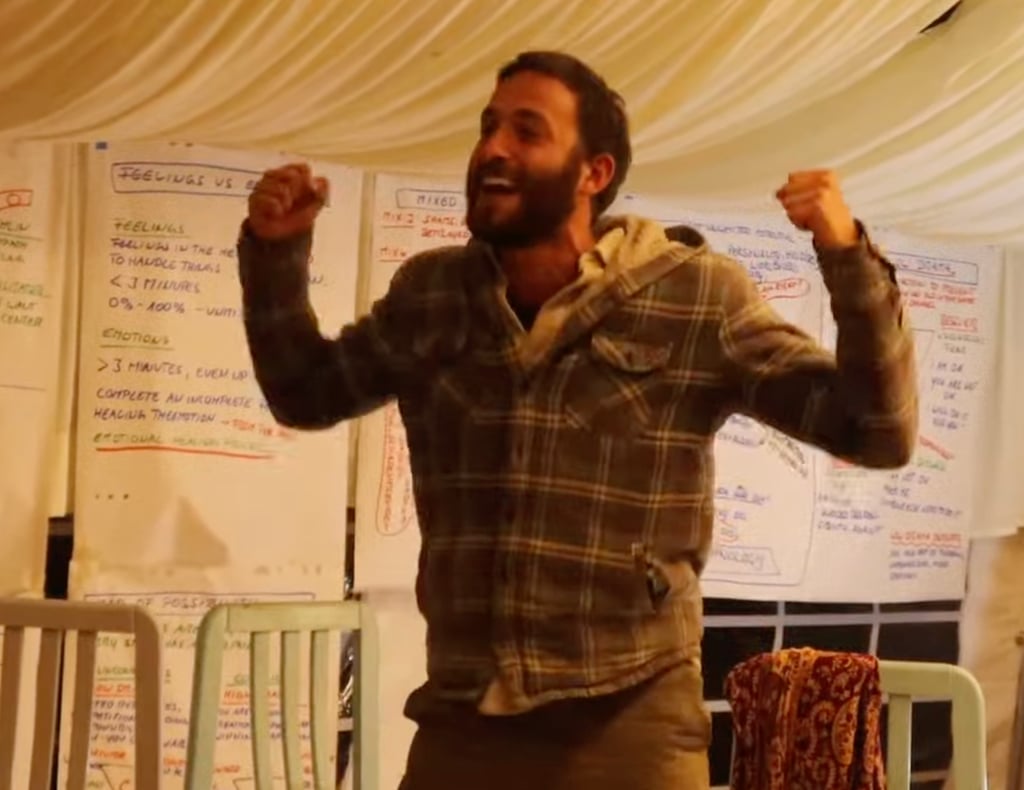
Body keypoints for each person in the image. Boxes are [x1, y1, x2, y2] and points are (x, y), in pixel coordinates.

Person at [238, 51, 917, 790]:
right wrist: (276, 255)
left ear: (594, 173)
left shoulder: (694, 295)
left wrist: (847, 254)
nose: (493, 148)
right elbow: (305, 393)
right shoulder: (432, 297)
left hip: (629, 724)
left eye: (527, 131)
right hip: (463, 719)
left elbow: (876, 432)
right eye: (489, 127)